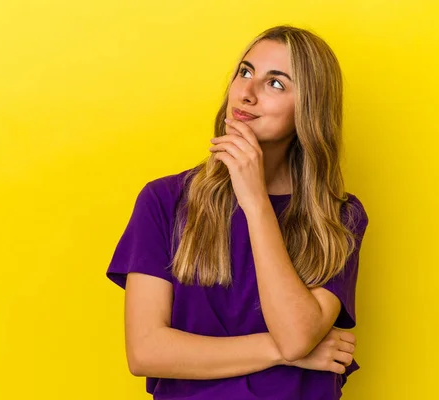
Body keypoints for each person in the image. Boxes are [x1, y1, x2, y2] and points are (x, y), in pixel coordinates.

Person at [106, 24, 369, 400]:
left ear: (308, 111)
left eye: (276, 83)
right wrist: (283, 352)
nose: (246, 93)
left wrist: (255, 201)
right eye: (245, 72)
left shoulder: (338, 218)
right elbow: (145, 352)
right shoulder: (164, 200)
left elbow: (296, 334)